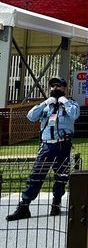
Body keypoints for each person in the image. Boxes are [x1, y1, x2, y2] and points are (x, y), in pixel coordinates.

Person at [6, 77, 80, 221]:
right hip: (47, 145)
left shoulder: (71, 104)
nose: (55, 88)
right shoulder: (46, 105)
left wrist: (64, 101)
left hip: (63, 144)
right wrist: (45, 103)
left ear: (64, 88)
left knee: (61, 175)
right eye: (52, 85)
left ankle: (56, 203)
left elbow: (75, 114)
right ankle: (24, 206)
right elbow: (31, 116)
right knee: (36, 175)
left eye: (58, 85)